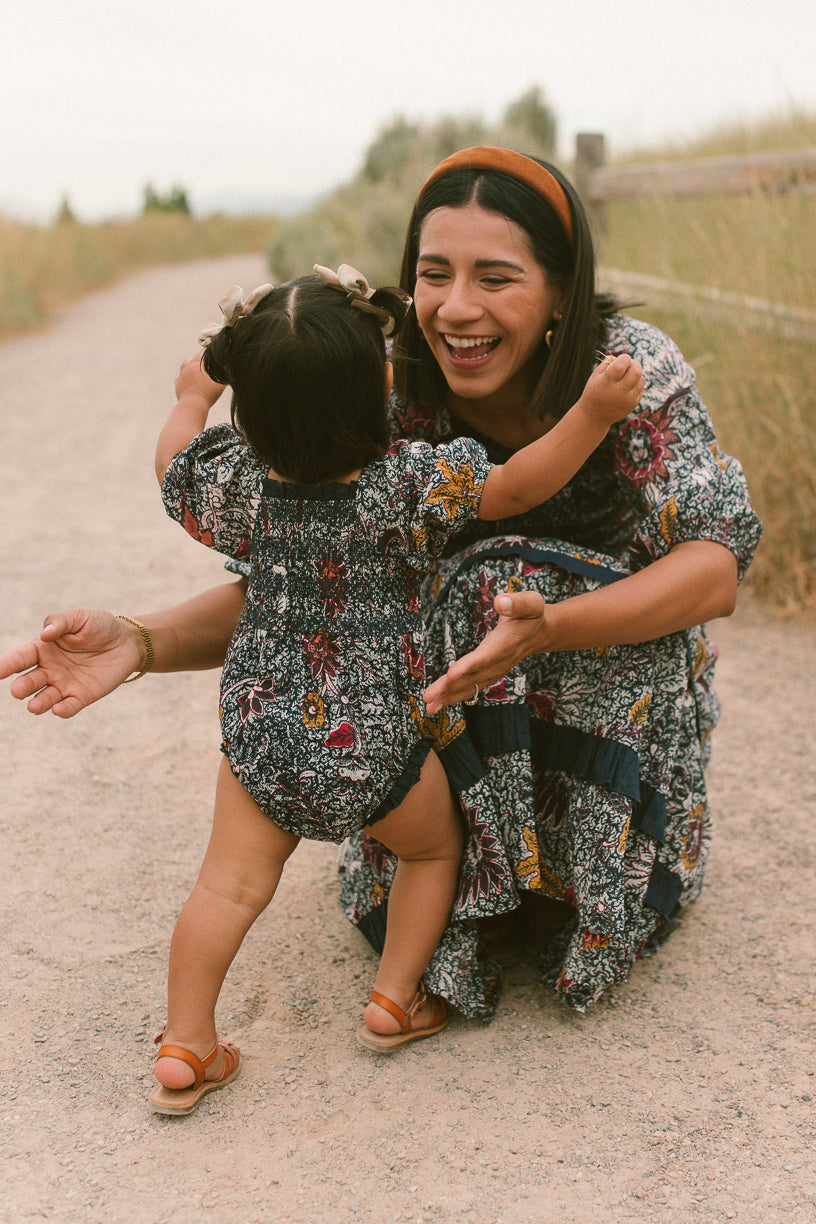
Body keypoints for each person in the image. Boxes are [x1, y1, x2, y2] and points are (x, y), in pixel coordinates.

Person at [1, 147, 761, 1031]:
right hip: (416, 736)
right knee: (470, 605)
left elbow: (713, 571)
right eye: (433, 274)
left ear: (562, 288)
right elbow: (309, 589)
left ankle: (569, 876)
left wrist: (550, 624)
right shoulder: (383, 387)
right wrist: (143, 641)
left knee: (498, 583)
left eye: (497, 277)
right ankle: (432, 932)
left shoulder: (628, 370)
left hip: (598, 683)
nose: (457, 307)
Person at [102, 261, 643, 1115]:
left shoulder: (237, 489)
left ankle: (185, 1044)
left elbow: (171, 461)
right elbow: (520, 484)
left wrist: (190, 396)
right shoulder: (406, 487)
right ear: (385, 384)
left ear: (249, 407)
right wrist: (594, 412)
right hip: (379, 748)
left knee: (226, 889)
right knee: (431, 852)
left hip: (262, 742)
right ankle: (395, 1001)